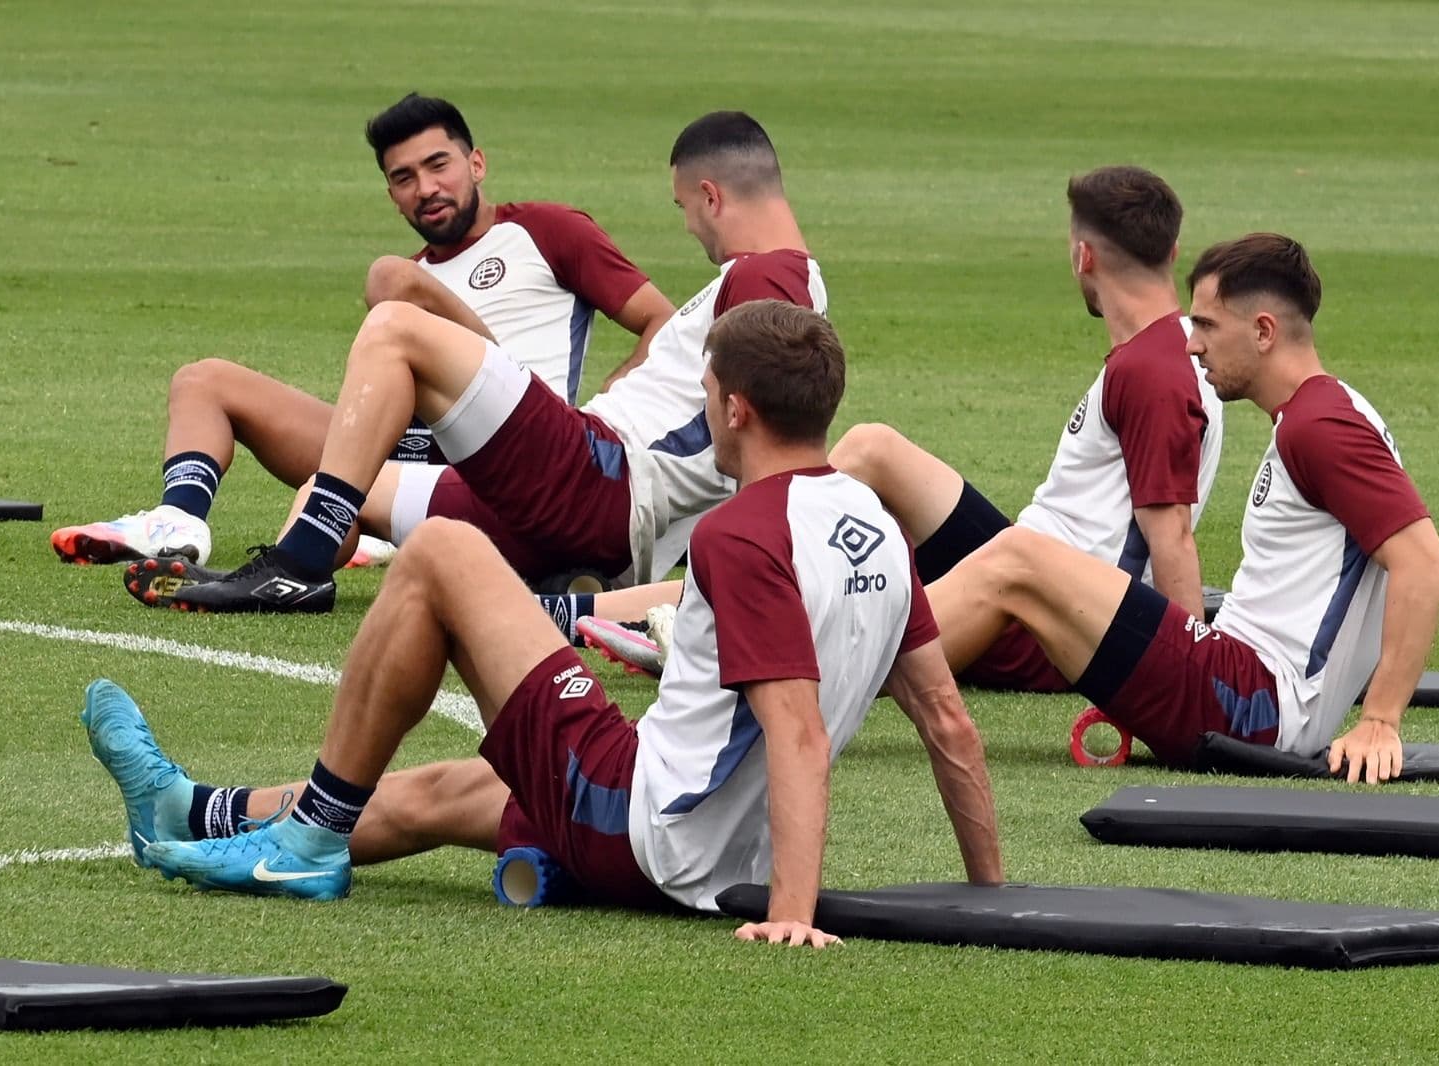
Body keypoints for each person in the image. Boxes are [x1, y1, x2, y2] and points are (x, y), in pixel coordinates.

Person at [84, 301, 1003, 947]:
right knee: (462, 789)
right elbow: (948, 723)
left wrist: (794, 912)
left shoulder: (743, 532)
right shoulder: (875, 524)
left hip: (649, 838)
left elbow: (796, 732)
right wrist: (993, 897)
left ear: (734, 408)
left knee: (442, 552)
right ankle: (197, 810)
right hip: (712, 843)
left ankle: (307, 842)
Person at [132, 110, 826, 614]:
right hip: (587, 488)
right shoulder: (776, 280)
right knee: (342, 486)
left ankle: (297, 569)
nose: (688, 226)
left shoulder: (767, 277)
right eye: (404, 177)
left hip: (601, 477)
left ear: (710, 196)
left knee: (395, 321)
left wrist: (744, 561)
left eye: (684, 209)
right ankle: (555, 594)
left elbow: (760, 428)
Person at [577, 166, 1224, 684]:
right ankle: (627, 611)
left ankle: (694, 625)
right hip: (1026, 568)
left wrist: (1174, 676)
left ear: (1083, 257)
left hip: (1042, 616)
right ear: (1171, 250)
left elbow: (1171, 537)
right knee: (872, 450)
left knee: (848, 579)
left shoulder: (1152, 371)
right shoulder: (1178, 352)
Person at [52, 92, 674, 568]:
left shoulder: (545, 230)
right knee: (203, 381)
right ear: (390, 195)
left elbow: (660, 324)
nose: (426, 189)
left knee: (387, 281)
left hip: (517, 444)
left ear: (477, 163)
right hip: (412, 448)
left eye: (439, 165)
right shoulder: (422, 274)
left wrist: (602, 412)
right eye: (404, 178)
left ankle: (384, 529)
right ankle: (177, 524)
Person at [926, 234, 1439, 781]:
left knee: (1017, 558)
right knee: (1022, 565)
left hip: (1253, 704)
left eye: (1206, 326)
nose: (1192, 345)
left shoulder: (1321, 427)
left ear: (1263, 331)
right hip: (1242, 685)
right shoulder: (1322, 412)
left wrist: (1380, 721)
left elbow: (1426, 565)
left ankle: (847, 671)